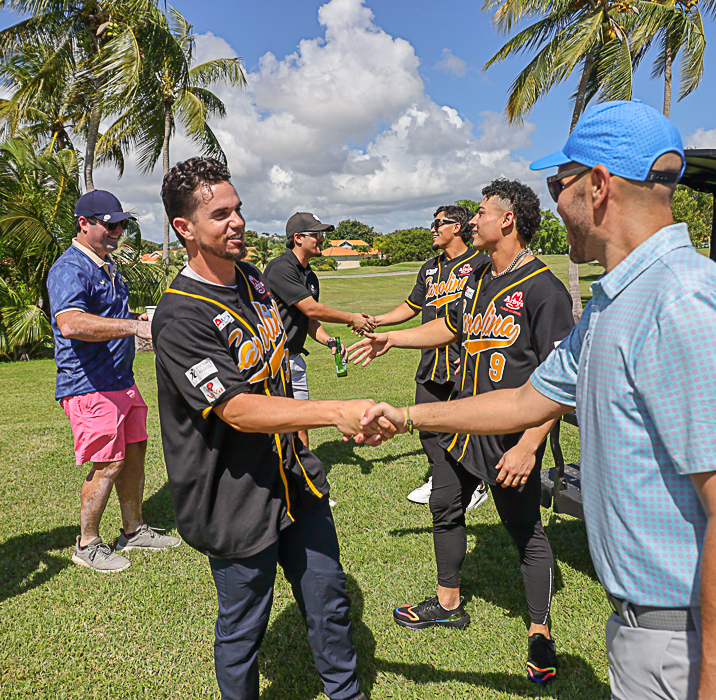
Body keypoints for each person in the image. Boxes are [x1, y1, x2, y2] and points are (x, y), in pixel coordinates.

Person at [359, 100, 716, 700]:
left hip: (706, 637)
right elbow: (526, 400)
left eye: (559, 185)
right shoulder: (614, 302)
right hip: (655, 629)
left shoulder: (684, 300)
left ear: (597, 186)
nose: (554, 204)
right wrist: (405, 416)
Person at [153, 157, 374, 700]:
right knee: (243, 626)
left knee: (329, 599)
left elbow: (281, 354)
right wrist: (333, 411)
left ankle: (346, 693)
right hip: (234, 494)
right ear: (185, 227)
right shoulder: (180, 316)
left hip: (295, 475)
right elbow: (236, 409)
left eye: (238, 209)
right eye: (220, 214)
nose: (237, 222)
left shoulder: (254, 280)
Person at [349, 180, 574, 685]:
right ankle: (448, 603)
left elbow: (559, 382)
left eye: (481, 212)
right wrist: (392, 339)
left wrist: (528, 446)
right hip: (462, 424)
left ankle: (540, 630)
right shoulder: (476, 276)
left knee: (525, 531)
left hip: (510, 435)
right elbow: (451, 327)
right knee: (444, 506)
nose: (473, 220)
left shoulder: (543, 289)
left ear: (507, 220)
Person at [48, 189, 180, 574]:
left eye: (121, 225)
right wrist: (134, 327)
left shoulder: (107, 265)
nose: (118, 232)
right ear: (83, 223)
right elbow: (71, 323)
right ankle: (87, 543)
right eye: (110, 225)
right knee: (108, 462)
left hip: (121, 380)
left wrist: (142, 319)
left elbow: (111, 317)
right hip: (89, 384)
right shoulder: (70, 268)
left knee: (135, 451)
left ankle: (133, 530)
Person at [369, 205, 490, 510]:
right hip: (432, 358)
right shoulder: (430, 268)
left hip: (464, 358)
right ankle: (442, 477)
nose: (433, 229)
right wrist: (378, 321)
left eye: (438, 223)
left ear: (457, 227)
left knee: (467, 423)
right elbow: (412, 305)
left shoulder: (480, 263)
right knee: (425, 427)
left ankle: (475, 484)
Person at [263, 212, 376, 447]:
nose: (322, 239)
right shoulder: (280, 268)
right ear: (298, 238)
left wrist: (329, 341)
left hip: (294, 358)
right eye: (316, 234)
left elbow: (310, 321)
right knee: (272, 426)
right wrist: (352, 318)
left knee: (302, 422)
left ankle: (303, 467)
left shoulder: (310, 277)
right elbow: (312, 309)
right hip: (271, 360)